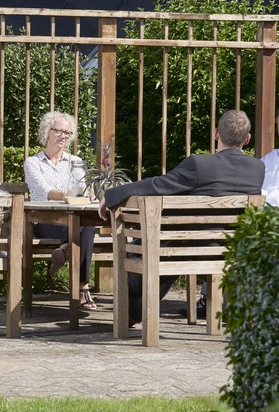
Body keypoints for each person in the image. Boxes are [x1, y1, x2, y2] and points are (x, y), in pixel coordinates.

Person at [99, 109, 265, 324]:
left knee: (154, 252)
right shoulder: (257, 168)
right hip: (229, 249)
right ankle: (133, 308)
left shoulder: (199, 164)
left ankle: (132, 299)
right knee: (165, 249)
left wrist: (113, 193)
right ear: (247, 139)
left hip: (188, 247)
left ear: (216, 134)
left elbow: (157, 185)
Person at [23, 111, 99, 310]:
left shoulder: (75, 161)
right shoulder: (33, 163)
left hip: (70, 221)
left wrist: (86, 193)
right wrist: (69, 195)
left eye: (67, 132)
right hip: (42, 222)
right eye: (58, 131)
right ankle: (83, 291)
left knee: (86, 227)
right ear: (47, 132)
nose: (63, 136)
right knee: (84, 228)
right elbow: (44, 191)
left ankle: (65, 252)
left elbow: (82, 187)